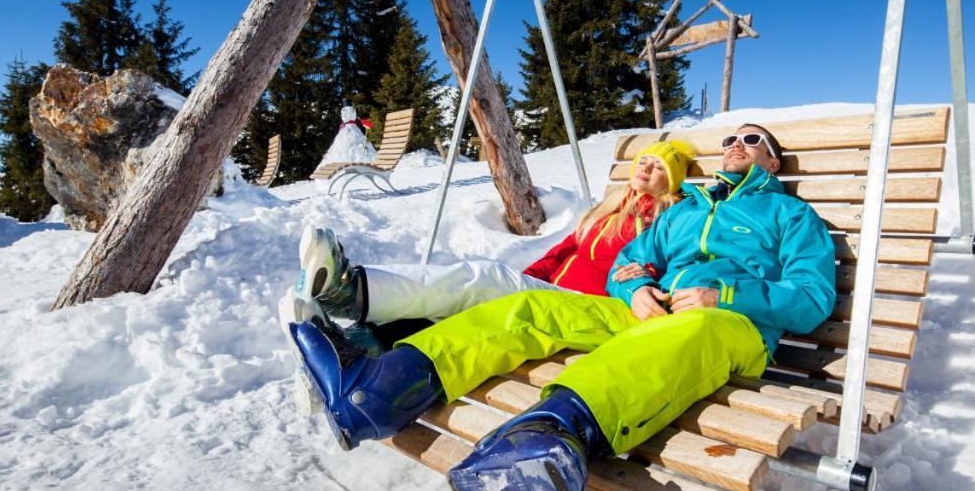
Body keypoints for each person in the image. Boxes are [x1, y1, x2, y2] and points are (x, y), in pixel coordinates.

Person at [285, 123, 837, 491]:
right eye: (731, 139)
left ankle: (550, 434)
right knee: (532, 305)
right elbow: (629, 261)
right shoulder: (689, 211)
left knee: (690, 330)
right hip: (646, 313)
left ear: (773, 162)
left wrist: (729, 293)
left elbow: (813, 299)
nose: (737, 145)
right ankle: (377, 391)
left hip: (730, 328)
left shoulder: (790, 214)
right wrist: (638, 284)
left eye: (752, 140)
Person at [279, 139, 694, 412]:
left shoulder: (666, 219)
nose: (647, 169)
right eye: (645, 160)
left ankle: (347, 292)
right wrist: (522, 281)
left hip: (593, 309)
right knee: (468, 304)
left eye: (659, 167)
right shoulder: (606, 212)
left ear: (670, 182)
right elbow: (559, 253)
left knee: (485, 278)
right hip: (551, 296)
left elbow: (667, 269)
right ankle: (351, 348)